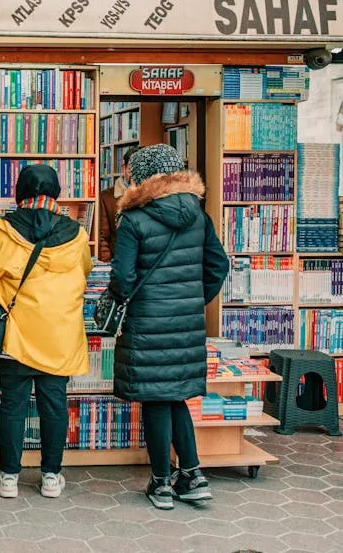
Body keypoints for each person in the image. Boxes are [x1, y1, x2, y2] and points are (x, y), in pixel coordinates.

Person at [107, 144, 229, 510]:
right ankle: (192, 475)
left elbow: (123, 278)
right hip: (187, 323)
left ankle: (161, 482)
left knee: (156, 401)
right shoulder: (198, 215)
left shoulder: (133, 218)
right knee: (176, 397)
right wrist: (192, 300)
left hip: (147, 321)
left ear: (142, 177)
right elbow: (217, 266)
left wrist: (122, 299)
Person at [0, 164, 93, 499]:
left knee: (12, 404)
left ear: (20, 191)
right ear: (56, 191)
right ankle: (51, 477)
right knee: (53, 405)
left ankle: (9, 477)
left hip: (17, 332)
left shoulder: (5, 230)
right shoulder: (77, 233)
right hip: (59, 331)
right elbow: (84, 271)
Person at [99, 145, 139, 261]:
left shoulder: (154, 195)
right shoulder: (106, 198)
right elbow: (102, 238)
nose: (135, 173)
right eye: (131, 168)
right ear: (124, 168)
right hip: (119, 262)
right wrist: (109, 266)